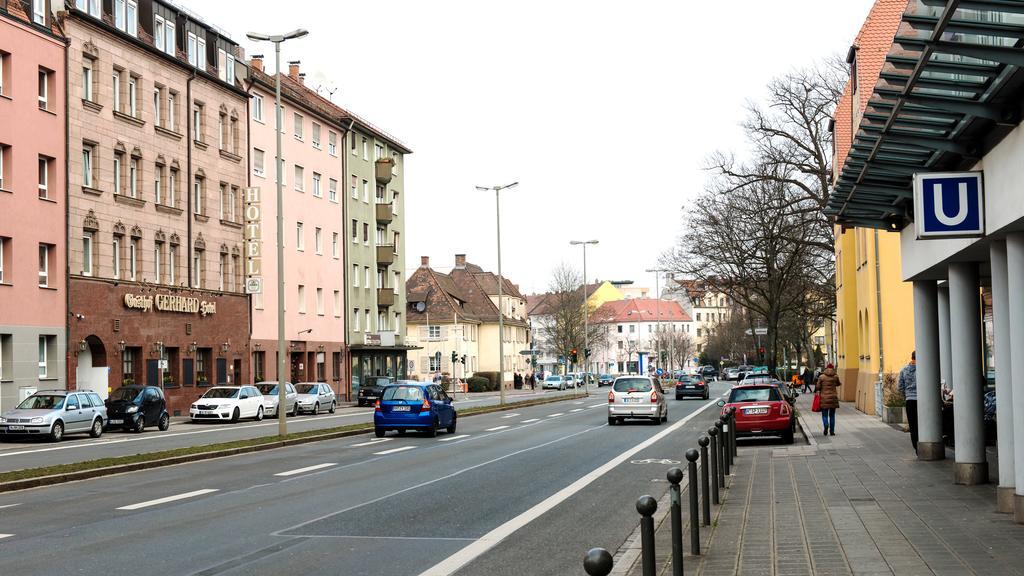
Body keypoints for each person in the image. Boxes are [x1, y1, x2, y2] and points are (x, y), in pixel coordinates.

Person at [898, 351, 918, 452]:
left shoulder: (904, 370)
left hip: (910, 401)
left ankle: (916, 447)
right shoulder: (923, 369)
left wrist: (906, 396)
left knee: (913, 425)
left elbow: (900, 387)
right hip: (922, 401)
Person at [815, 363, 842, 436]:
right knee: (832, 415)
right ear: (833, 368)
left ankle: (826, 425)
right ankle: (832, 431)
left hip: (824, 398)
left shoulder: (821, 377)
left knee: (824, 415)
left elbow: (817, 387)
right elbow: (838, 384)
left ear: (826, 368)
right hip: (833, 398)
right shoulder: (835, 376)